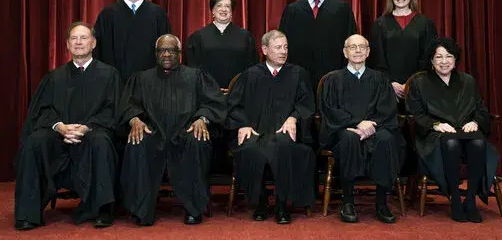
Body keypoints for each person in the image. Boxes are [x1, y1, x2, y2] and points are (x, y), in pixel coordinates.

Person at [14, 22, 121, 230]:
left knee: (101, 141)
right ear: (67, 45)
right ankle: (28, 213)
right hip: (59, 135)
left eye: (83, 38)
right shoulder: (55, 77)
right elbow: (42, 111)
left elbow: (112, 111)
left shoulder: (110, 75)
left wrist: (85, 128)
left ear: (93, 43)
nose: (79, 42)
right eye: (74, 38)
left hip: (92, 132)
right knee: (35, 142)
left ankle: (102, 210)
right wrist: (59, 126)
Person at [118, 34, 226, 226]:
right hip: (154, 133)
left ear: (179, 53)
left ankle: (194, 208)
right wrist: (135, 120)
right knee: (138, 142)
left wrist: (202, 119)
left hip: (186, 132)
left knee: (198, 140)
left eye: (171, 50)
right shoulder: (142, 78)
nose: (166, 54)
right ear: (156, 54)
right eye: (162, 50)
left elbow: (214, 103)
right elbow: (128, 105)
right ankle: (141, 209)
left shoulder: (196, 76)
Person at [225, 30, 316, 224]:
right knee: (249, 149)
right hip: (256, 131)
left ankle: (282, 205)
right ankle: (261, 202)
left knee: (284, 146)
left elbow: (306, 104)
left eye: (285, 47)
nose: (283, 51)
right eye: (278, 47)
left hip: (284, 132)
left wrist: (294, 118)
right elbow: (233, 105)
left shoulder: (298, 73)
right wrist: (243, 124)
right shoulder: (250, 75)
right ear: (265, 49)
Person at [405, 37, 499, 223]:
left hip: (466, 130)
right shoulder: (420, 82)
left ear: (455, 60)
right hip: (435, 135)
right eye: (438, 57)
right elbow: (415, 114)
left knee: (479, 143)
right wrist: (435, 124)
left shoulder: (468, 81)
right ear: (431, 60)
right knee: (451, 143)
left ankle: (470, 199)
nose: (444, 61)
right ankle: (455, 199)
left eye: (449, 56)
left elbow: (481, 110)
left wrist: (476, 122)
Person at [319, 34, 404, 224]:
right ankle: (348, 202)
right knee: (349, 139)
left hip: (376, 127)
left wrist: (371, 124)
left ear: (368, 52)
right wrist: (358, 123)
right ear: (345, 52)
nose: (357, 50)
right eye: (352, 47)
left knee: (386, 139)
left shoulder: (380, 79)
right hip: (345, 129)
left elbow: (387, 109)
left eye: (361, 47)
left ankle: (382, 203)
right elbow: (330, 110)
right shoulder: (333, 80)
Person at [279, 0, 357, 90]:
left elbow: (351, 44)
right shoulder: (292, 10)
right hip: (298, 81)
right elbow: (282, 46)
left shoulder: (342, 9)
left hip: (334, 80)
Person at [93, 0, 171, 81]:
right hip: (116, 85)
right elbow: (98, 51)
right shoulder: (107, 14)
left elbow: (166, 50)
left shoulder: (158, 14)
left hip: (151, 85)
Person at [369, 0, 437, 108]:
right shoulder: (380, 24)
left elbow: (428, 58)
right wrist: (390, 83)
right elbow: (376, 59)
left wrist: (411, 83)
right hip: (387, 90)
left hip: (418, 88)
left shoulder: (425, 23)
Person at [186, 0, 259, 90]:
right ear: (212, 10)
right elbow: (192, 68)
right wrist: (209, 88)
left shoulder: (246, 36)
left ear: (232, 11)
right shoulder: (198, 37)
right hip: (207, 95)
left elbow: (252, 68)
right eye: (219, 5)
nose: (223, 9)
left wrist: (238, 88)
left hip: (238, 94)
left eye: (227, 6)